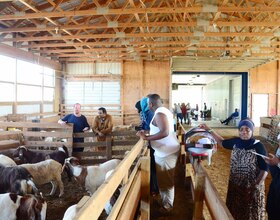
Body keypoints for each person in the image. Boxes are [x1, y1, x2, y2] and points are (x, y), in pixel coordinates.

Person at [200, 119, 268, 220]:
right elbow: (221, 142)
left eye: (247, 130)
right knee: (235, 213)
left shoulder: (258, 146)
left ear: (252, 131)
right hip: (235, 187)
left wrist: (254, 187)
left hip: (251, 189)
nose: (244, 132)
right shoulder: (236, 142)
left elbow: (264, 170)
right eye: (241, 129)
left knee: (250, 214)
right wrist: (208, 129)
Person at [137, 94, 180, 213]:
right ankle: (165, 201)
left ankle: (168, 206)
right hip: (164, 150)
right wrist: (147, 133)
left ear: (151, 104)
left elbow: (165, 132)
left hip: (166, 152)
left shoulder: (160, 114)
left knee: (167, 180)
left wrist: (147, 138)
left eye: (148, 104)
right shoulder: (164, 111)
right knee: (163, 179)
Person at [140, 96, 158, 196]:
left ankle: (154, 188)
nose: (147, 105)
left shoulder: (150, 113)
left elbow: (152, 128)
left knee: (152, 165)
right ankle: (153, 187)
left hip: (153, 141)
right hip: (151, 141)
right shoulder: (146, 113)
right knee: (151, 165)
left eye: (146, 103)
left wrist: (145, 133)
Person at [264, 134, 280, 220]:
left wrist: (277, 163)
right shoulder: (278, 149)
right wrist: (271, 164)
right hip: (276, 188)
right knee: (272, 210)